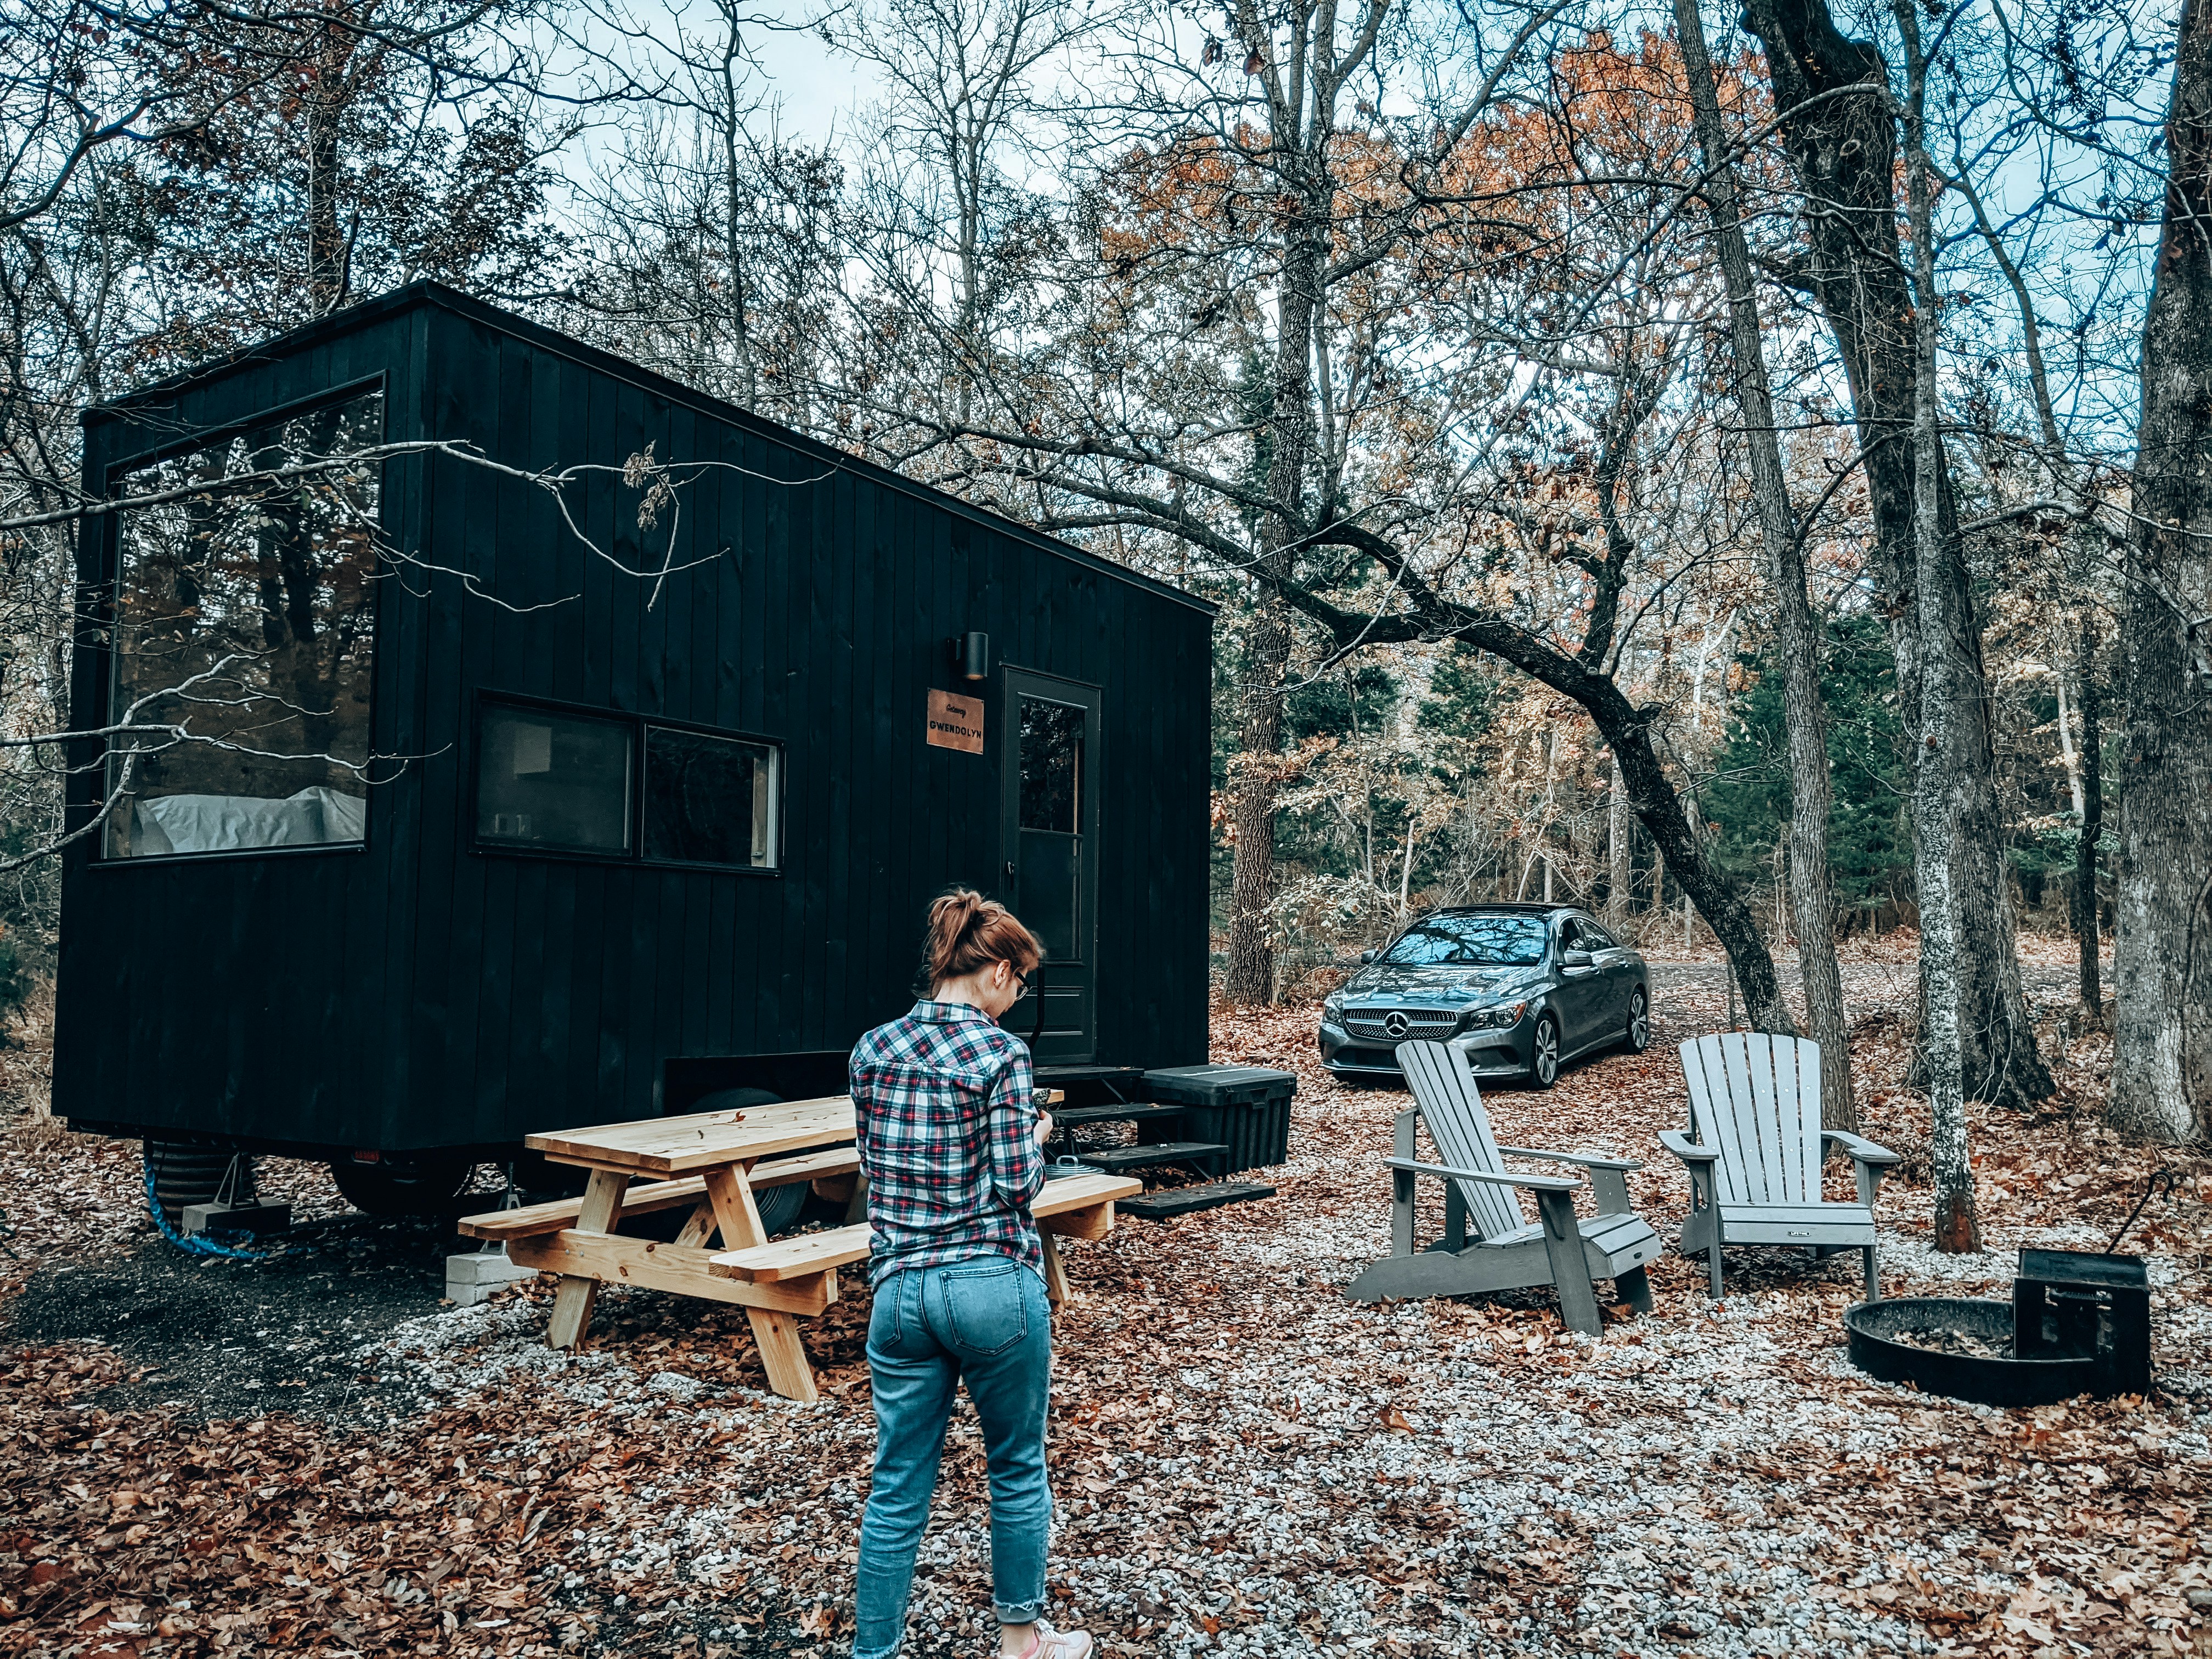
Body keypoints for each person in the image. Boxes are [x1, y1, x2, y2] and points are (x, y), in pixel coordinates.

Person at [848, 889, 1092, 1659]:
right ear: (996, 971)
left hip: (900, 1289)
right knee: (1016, 1469)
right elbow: (1019, 1187)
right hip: (989, 1284)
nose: (1016, 1003)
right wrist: (1037, 1132)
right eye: (1019, 986)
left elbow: (873, 1165)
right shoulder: (999, 1054)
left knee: (896, 1487)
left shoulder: (873, 1049)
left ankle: (875, 1650)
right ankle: (1020, 1641)